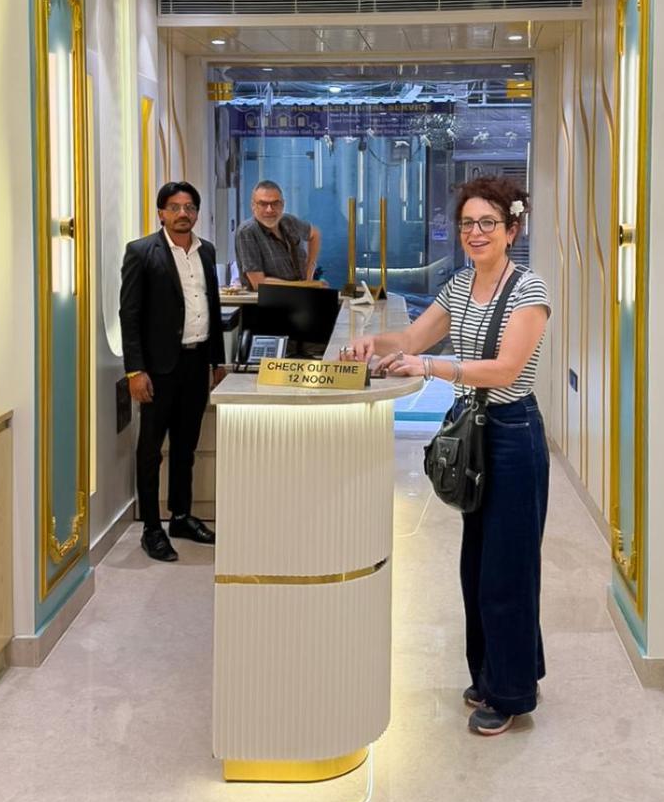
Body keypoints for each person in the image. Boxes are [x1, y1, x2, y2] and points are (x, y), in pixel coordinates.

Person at [345, 175, 551, 738]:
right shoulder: (460, 285)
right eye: (467, 224)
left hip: (512, 433)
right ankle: (496, 673)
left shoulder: (529, 291)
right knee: (478, 566)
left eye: (488, 223)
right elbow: (413, 339)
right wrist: (373, 343)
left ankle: (510, 693)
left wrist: (432, 368)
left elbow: (505, 370)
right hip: (474, 433)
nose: (476, 233)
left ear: (511, 229)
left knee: (509, 570)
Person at [119, 181, 225, 562]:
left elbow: (212, 304)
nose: (183, 213)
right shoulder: (141, 252)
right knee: (151, 450)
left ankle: (181, 516)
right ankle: (152, 527)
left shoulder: (206, 250)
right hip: (159, 368)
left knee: (186, 446)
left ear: (196, 212)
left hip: (197, 363)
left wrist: (217, 360)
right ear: (161, 213)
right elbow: (129, 315)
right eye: (175, 207)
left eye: (190, 207)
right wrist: (135, 370)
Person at [234, 180, 321, 289]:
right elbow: (258, 283)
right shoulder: (247, 232)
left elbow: (315, 234)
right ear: (253, 206)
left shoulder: (288, 221)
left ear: (283, 204)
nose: (269, 210)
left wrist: (310, 267)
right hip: (268, 298)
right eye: (263, 204)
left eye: (275, 203)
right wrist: (304, 285)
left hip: (299, 294)